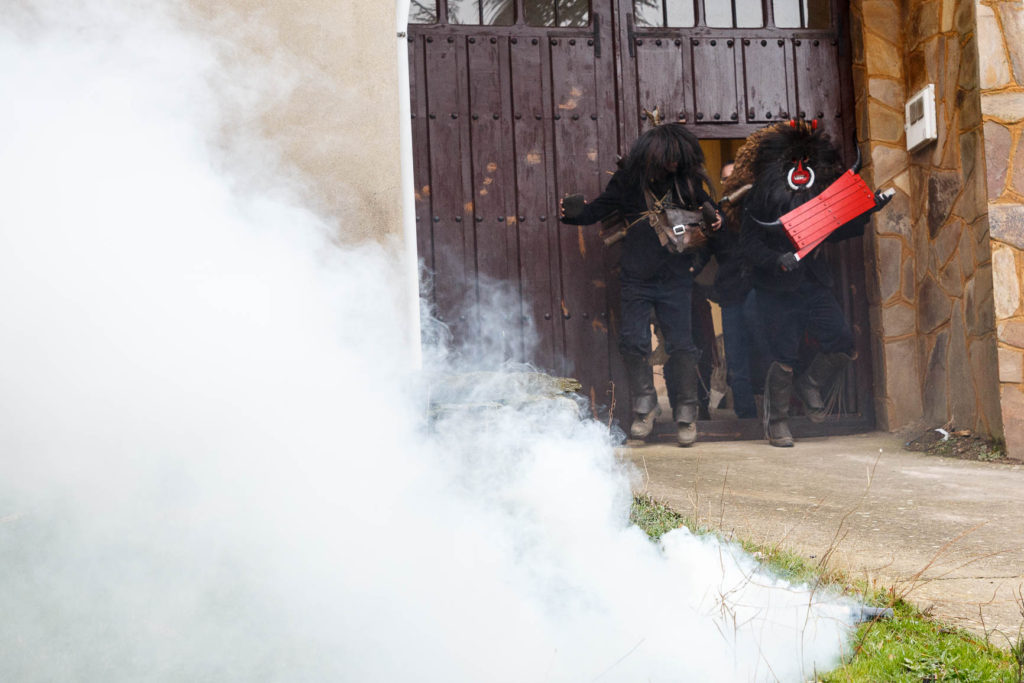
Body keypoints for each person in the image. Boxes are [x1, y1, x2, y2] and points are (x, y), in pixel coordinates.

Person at [559, 123, 719, 446]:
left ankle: (686, 412)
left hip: (675, 278)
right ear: (656, 156)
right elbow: (597, 209)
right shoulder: (629, 181)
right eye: (670, 159)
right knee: (633, 341)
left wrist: (717, 219)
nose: (674, 164)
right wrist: (574, 214)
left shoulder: (685, 181)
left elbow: (708, 216)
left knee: (682, 345)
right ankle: (645, 408)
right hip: (636, 277)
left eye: (679, 159)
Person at [737, 120, 890, 447]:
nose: (800, 171)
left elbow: (837, 229)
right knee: (784, 354)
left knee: (841, 338)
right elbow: (749, 246)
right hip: (776, 289)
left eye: (806, 164)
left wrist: (870, 208)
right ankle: (777, 423)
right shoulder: (757, 200)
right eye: (794, 165)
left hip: (814, 285)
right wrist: (777, 260)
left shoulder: (817, 193)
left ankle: (810, 384)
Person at [706, 159, 758, 419]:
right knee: (736, 358)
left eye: (733, 177)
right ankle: (746, 415)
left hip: (758, 289)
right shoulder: (716, 214)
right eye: (724, 178)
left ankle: (774, 414)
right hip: (730, 293)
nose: (729, 182)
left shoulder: (757, 207)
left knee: (768, 350)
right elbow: (704, 249)